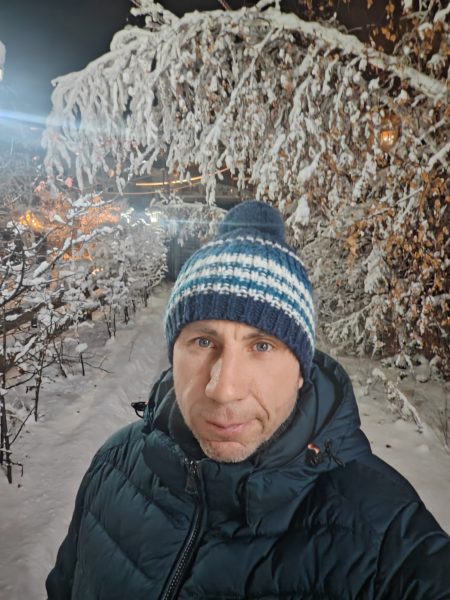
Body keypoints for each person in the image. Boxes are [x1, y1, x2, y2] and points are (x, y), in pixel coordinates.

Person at [46, 200, 450, 600]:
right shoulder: (114, 465)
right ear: (173, 353)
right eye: (203, 342)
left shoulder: (387, 538)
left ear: (301, 371)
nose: (223, 389)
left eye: (262, 346)